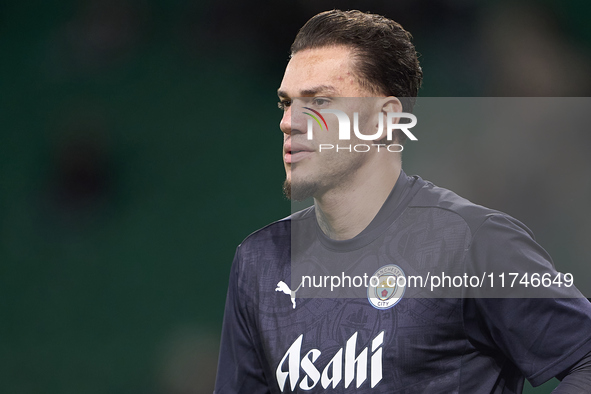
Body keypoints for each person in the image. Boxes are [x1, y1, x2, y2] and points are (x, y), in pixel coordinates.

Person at [214, 9, 591, 393]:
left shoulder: (473, 242)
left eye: (320, 101)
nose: (290, 121)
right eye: (285, 103)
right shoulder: (259, 260)